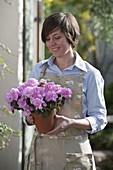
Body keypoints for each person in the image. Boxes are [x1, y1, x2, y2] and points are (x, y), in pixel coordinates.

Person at [24, 12, 107, 170]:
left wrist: (72, 123)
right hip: (42, 155)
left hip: (75, 155)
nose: (51, 43)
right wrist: (29, 118)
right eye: (48, 39)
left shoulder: (90, 74)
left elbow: (99, 118)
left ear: (70, 36)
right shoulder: (39, 70)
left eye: (57, 37)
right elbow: (28, 112)